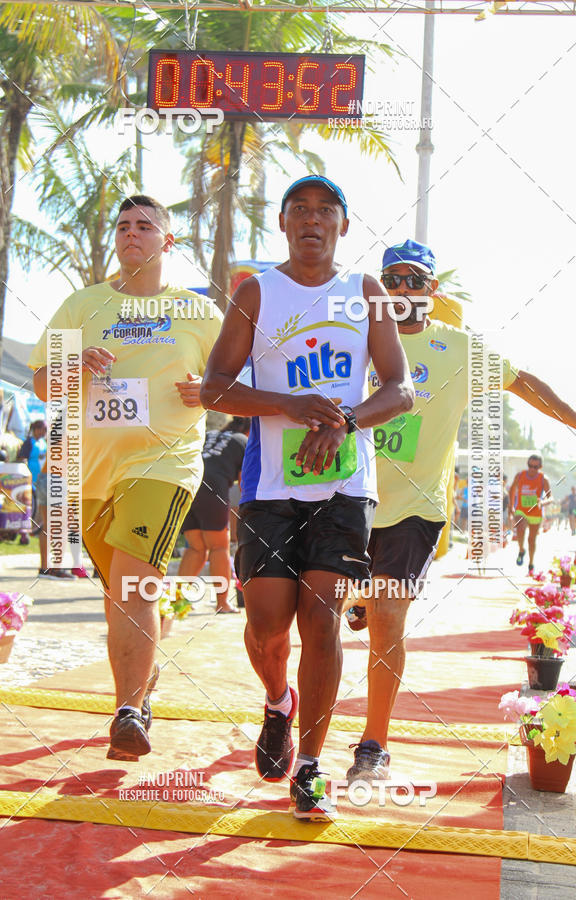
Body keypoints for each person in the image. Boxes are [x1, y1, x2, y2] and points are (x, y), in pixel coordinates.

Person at [201, 175, 414, 820]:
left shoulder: (367, 294)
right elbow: (214, 388)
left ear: (344, 226)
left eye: (327, 212)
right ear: (284, 223)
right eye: (301, 211)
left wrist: (344, 419)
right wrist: (287, 404)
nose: (313, 220)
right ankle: (277, 702)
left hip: (346, 486)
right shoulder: (256, 293)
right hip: (269, 487)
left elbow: (400, 390)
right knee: (267, 627)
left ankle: (313, 767)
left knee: (320, 621)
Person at [344, 238, 576, 785]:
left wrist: (572, 420)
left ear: (432, 290)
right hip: (347, 500)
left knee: (387, 619)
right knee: (319, 614)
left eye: (414, 281)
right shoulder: (354, 339)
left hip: (413, 510)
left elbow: (523, 384)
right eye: (392, 280)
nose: (402, 290)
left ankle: (373, 745)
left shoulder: (460, 349)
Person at [29, 195, 222, 761]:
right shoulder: (82, 305)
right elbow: (43, 384)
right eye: (122, 226)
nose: (131, 234)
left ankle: (127, 712)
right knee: (125, 593)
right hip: (91, 477)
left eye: (144, 226)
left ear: (168, 241)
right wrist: (71, 363)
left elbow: (236, 382)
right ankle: (144, 682)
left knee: (134, 583)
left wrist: (207, 390)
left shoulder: (198, 313)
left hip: (165, 464)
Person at [178, 416, 250, 613]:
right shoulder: (243, 441)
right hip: (212, 488)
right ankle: (222, 603)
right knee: (219, 547)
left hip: (187, 484)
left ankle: (177, 599)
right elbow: (246, 483)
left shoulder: (209, 435)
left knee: (196, 548)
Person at [509, 455, 552, 574]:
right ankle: (521, 550)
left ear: (540, 467)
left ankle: (531, 563)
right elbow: (512, 490)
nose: (532, 469)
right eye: (530, 466)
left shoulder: (544, 479)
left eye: (535, 467)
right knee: (520, 528)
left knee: (531, 540)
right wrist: (511, 506)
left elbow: (550, 497)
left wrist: (542, 502)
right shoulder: (520, 476)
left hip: (536, 512)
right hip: (521, 510)